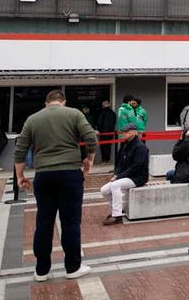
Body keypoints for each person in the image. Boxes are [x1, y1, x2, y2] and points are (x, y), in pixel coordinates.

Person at [14, 89, 97, 282]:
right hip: (70, 173)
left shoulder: (33, 119)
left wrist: (20, 176)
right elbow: (91, 138)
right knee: (70, 222)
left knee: (44, 222)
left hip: (43, 175)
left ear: (46, 103)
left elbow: (20, 149)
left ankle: (41, 270)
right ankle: (72, 267)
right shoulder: (74, 114)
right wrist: (89, 159)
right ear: (64, 102)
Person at [102, 124, 149, 225]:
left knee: (115, 185)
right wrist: (116, 174)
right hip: (127, 175)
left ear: (133, 132)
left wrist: (119, 177)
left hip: (138, 177)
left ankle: (117, 216)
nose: (123, 134)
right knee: (104, 190)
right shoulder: (125, 145)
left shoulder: (141, 147)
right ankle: (120, 208)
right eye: (123, 132)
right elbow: (120, 163)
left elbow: (137, 166)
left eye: (126, 132)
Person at [97, 100, 117, 164]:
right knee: (108, 145)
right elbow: (114, 122)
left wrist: (99, 130)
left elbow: (99, 122)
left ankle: (103, 159)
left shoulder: (102, 112)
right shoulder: (113, 113)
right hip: (111, 132)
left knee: (103, 145)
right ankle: (108, 160)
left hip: (103, 131)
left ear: (104, 105)